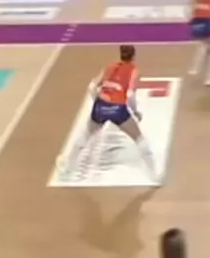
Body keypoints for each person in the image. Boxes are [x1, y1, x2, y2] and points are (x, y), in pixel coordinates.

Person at [58, 44, 159, 184]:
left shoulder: (109, 67)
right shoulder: (133, 70)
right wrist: (135, 112)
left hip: (101, 106)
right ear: (133, 56)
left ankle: (67, 171)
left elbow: (92, 87)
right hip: (118, 109)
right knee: (139, 138)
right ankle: (154, 176)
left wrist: (98, 102)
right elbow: (130, 95)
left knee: (84, 137)